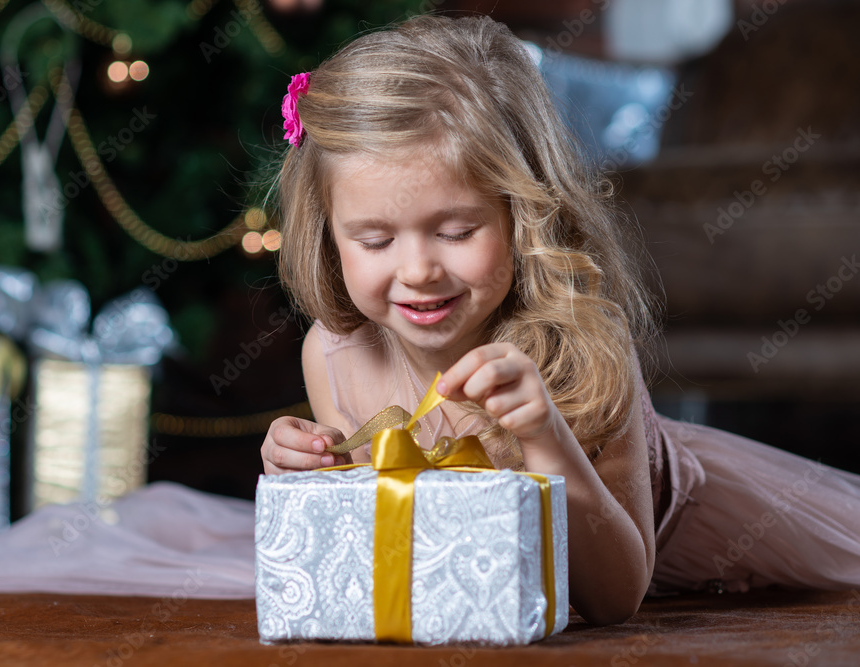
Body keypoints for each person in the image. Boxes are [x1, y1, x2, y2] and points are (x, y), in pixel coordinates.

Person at [259, 14, 860, 625]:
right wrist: (308, 473)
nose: (418, 270)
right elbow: (393, 546)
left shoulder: (583, 341)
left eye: (456, 231)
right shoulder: (333, 357)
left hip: (676, 542)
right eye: (375, 240)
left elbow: (615, 595)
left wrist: (545, 435)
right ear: (328, 236)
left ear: (525, 216)